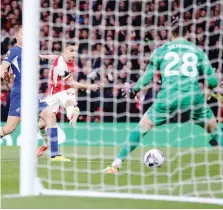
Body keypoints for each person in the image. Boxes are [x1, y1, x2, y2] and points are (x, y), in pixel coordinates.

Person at [104, 20, 222, 174]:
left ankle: (116, 164)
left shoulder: (161, 51)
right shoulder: (197, 51)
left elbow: (146, 78)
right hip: (193, 99)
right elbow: (212, 81)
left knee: (141, 128)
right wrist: (210, 87)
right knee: (215, 131)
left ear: (170, 34)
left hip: (168, 98)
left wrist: (135, 89)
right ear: (187, 34)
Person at [0, 25, 70, 161]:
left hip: (31, 94)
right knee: (9, 128)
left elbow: (45, 56)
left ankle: (54, 154)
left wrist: (62, 57)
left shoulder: (29, 52)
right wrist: (4, 74)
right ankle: (49, 148)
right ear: (17, 36)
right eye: (22, 34)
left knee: (50, 116)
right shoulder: (13, 51)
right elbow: (3, 67)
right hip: (19, 94)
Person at [37, 42, 100, 157]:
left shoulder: (68, 58)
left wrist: (43, 56)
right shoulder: (61, 66)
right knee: (41, 124)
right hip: (53, 94)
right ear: (65, 49)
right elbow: (71, 82)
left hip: (66, 91)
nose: (74, 53)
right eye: (72, 50)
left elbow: (54, 56)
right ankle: (46, 144)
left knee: (69, 99)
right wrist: (90, 86)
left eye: (76, 51)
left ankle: (71, 116)